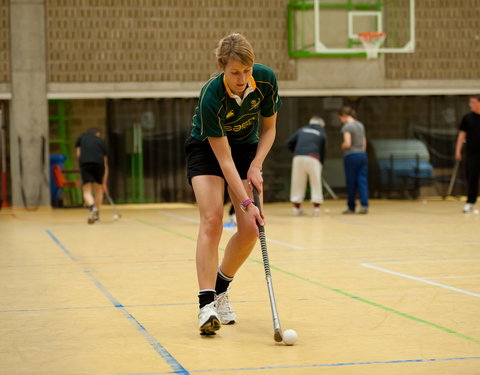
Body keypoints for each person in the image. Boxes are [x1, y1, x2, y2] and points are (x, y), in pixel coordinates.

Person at [184, 33, 281, 336]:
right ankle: (205, 306)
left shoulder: (265, 80)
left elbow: (269, 129)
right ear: (221, 67)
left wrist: (256, 164)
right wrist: (248, 203)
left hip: (245, 149)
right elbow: (224, 161)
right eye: (235, 72)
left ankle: (221, 289)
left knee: (251, 229)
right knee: (212, 220)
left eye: (247, 71)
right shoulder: (212, 94)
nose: (242, 79)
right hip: (207, 148)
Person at [286, 116, 327, 216]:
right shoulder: (321, 133)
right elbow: (323, 150)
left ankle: (296, 208)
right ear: (321, 125)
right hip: (313, 158)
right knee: (316, 183)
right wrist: (321, 163)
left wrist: (297, 152)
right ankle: (316, 209)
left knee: (297, 182)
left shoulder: (301, 130)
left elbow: (289, 143)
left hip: (298, 157)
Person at [338, 106, 369, 214]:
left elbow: (347, 143)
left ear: (344, 116)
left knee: (351, 182)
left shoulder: (347, 127)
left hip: (351, 156)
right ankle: (364, 205)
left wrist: (342, 146)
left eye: (340, 119)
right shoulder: (360, 125)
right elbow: (364, 142)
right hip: (362, 154)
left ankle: (351, 207)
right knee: (362, 180)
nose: (341, 121)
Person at [75, 127, 108, 224]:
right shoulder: (101, 141)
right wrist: (104, 180)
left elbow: (78, 153)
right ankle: (97, 216)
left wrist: (82, 164)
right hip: (99, 164)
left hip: (85, 163)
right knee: (99, 189)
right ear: (97, 133)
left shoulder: (81, 137)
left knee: (86, 190)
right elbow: (105, 161)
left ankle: (92, 208)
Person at [455, 94, 480, 213]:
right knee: (472, 178)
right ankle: (470, 202)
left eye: (473, 102)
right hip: (472, 153)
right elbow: (461, 135)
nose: (470, 105)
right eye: (470, 102)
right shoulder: (467, 118)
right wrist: (458, 150)